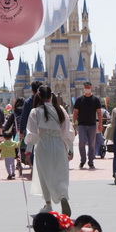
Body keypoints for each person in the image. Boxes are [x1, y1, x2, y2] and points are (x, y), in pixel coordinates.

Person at [26, 85, 74, 215]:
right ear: (51, 96)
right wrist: (70, 148)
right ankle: (63, 196)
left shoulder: (35, 112)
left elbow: (32, 133)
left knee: (44, 174)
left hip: (43, 145)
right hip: (59, 145)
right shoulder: (61, 110)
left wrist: (28, 149)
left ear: (39, 96)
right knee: (60, 173)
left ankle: (48, 204)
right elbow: (67, 131)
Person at [72, 82, 102, 169]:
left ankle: (91, 161)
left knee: (92, 144)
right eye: (85, 87)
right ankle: (82, 160)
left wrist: (100, 124)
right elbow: (75, 112)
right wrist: (74, 123)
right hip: (81, 125)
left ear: (91, 88)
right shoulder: (79, 100)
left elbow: (99, 112)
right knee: (81, 143)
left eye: (88, 87)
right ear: (83, 88)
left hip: (92, 125)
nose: (87, 88)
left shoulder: (95, 100)